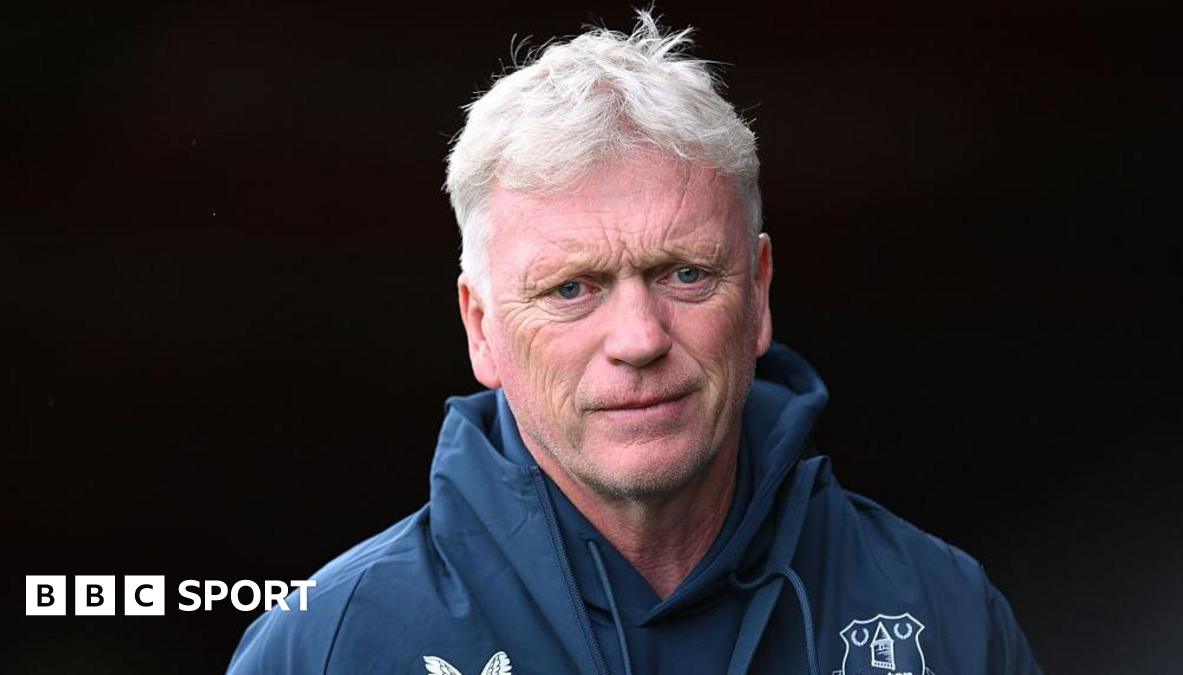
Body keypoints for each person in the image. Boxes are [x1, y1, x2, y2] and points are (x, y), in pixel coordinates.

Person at [227, 11, 1041, 675]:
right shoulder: (330, 646)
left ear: (758, 292)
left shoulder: (942, 617)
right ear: (482, 328)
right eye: (571, 288)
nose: (639, 339)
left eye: (685, 273)